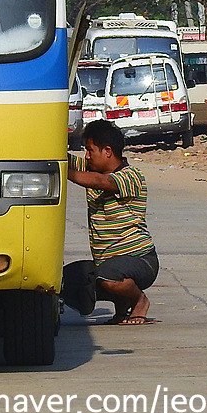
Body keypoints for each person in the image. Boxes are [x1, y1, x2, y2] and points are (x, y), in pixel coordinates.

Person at [65, 119, 160, 325]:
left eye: (90, 150)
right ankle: (122, 305)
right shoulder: (91, 168)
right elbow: (64, 160)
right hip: (107, 263)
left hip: (140, 259)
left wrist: (65, 172)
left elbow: (102, 182)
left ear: (107, 151)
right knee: (62, 281)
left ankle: (139, 300)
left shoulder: (131, 176)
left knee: (109, 276)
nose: (86, 156)